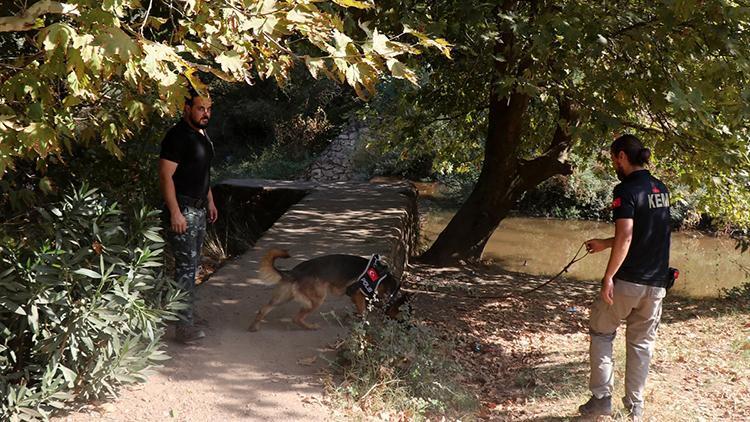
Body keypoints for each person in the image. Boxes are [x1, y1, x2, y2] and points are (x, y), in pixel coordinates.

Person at [578, 134, 671, 421]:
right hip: (656, 283)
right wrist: (604, 243)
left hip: (628, 280)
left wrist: (608, 277)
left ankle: (601, 399)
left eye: (612, 159)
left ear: (621, 156)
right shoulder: (661, 188)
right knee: (641, 344)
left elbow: (627, 236)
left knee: (602, 332)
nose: (613, 166)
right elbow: (642, 234)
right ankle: (635, 407)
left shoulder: (625, 189)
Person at [158, 88, 218, 344]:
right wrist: (175, 212)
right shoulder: (177, 136)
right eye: (200, 108)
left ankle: (187, 316)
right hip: (183, 211)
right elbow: (165, 176)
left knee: (192, 267)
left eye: (208, 108)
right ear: (186, 108)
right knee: (185, 269)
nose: (206, 113)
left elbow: (203, 172)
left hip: (199, 210)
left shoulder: (202, 134)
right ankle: (184, 328)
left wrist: (211, 201)